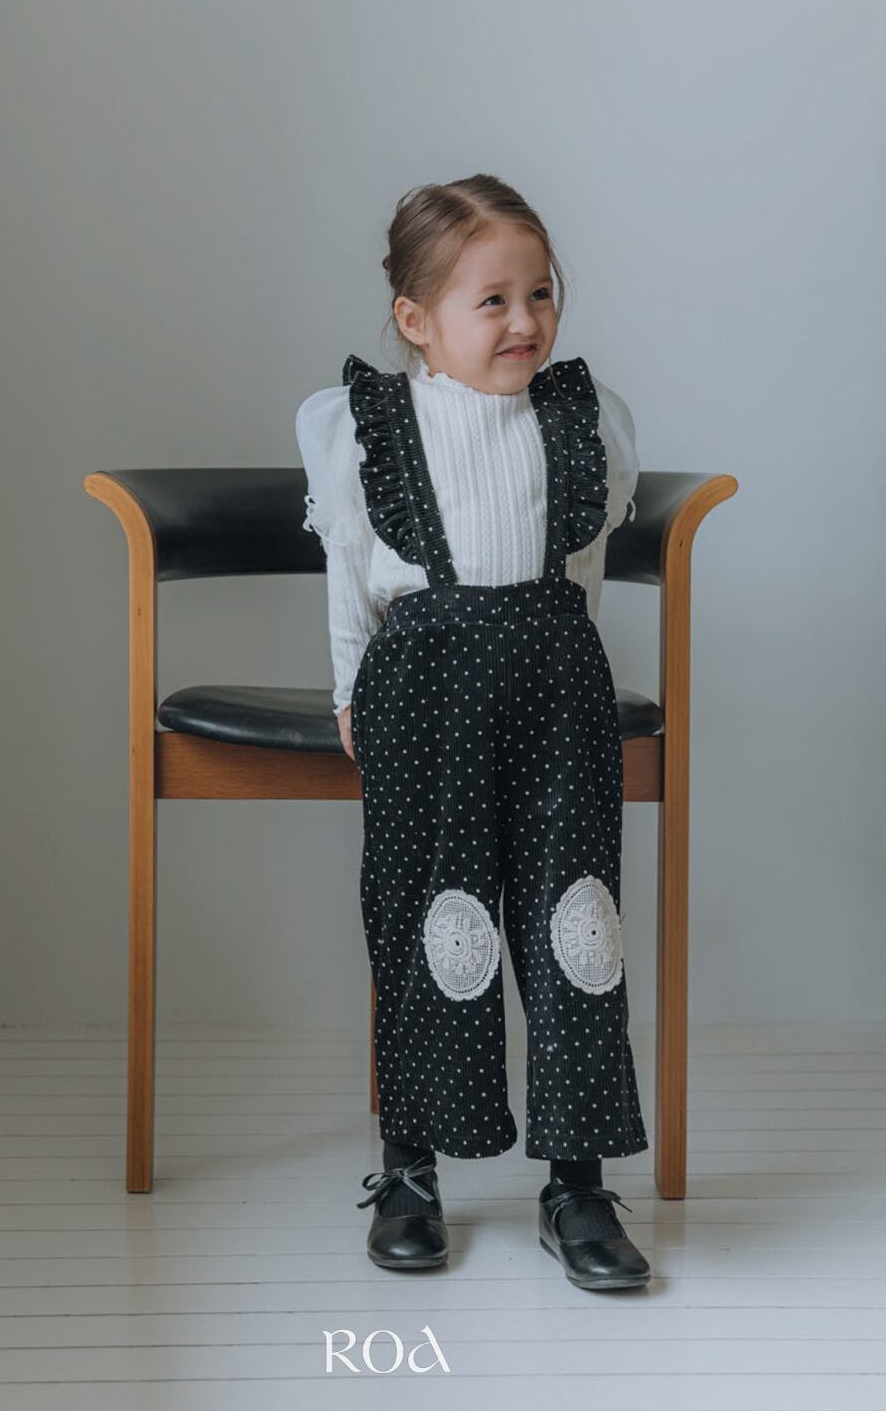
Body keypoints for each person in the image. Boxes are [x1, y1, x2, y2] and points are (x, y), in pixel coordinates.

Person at [294, 173, 651, 1291]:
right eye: (491, 300)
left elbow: (584, 573)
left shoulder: (582, 418)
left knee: (574, 919)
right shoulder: (366, 425)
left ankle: (576, 1181)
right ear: (416, 319)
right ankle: (411, 1166)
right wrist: (349, 693)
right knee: (425, 916)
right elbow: (350, 575)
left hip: (556, 685)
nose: (524, 320)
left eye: (539, 293)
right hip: (421, 690)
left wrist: (575, 678)